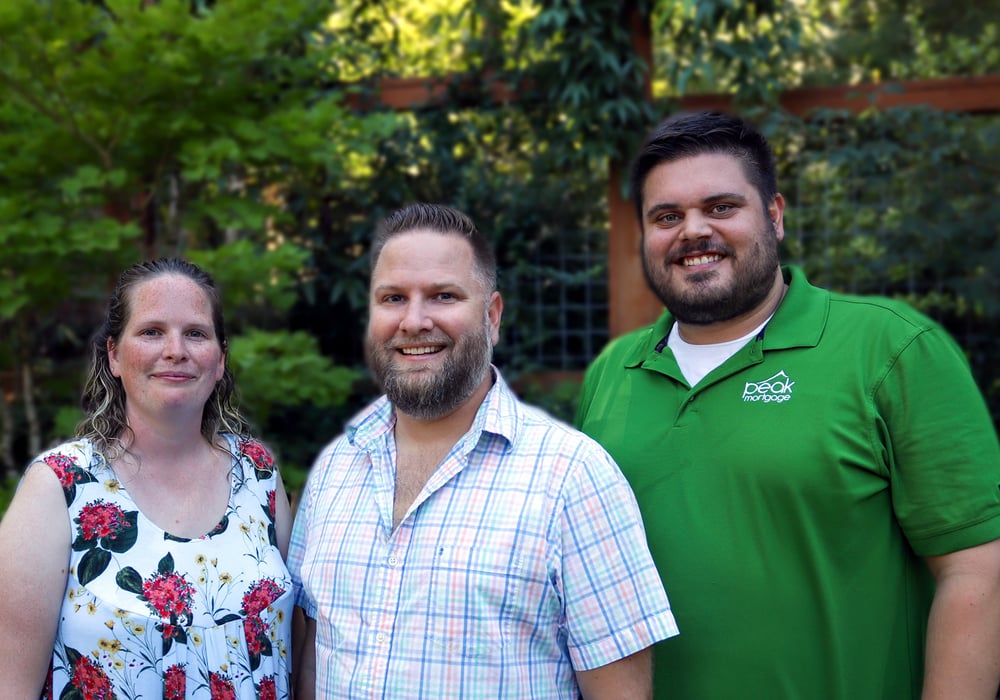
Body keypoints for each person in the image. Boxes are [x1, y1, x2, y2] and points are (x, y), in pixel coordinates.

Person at [574, 109, 1000, 699]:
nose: (693, 231)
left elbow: (976, 572)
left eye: (721, 207)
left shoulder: (892, 350)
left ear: (774, 216)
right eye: (666, 216)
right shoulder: (612, 373)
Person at [287, 202, 678, 699]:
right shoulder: (333, 471)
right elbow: (313, 663)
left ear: (491, 316)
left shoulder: (573, 478)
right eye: (392, 298)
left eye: (443, 296)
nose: (413, 320)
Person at [0, 258, 294, 699]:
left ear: (220, 360)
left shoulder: (259, 475)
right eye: (152, 331)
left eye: (195, 333)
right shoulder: (59, 488)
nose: (175, 349)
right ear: (115, 355)